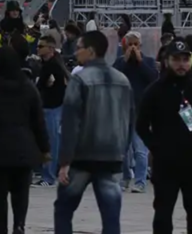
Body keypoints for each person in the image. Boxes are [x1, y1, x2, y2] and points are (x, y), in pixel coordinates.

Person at [54, 30, 135, 234]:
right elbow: (130, 120)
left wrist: (64, 162)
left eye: (78, 48)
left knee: (63, 209)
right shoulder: (123, 80)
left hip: (83, 156)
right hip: (111, 156)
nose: (76, 53)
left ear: (90, 51)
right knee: (110, 216)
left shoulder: (80, 79)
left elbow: (71, 121)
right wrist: (122, 150)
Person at [136, 41, 192, 234]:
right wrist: (156, 147)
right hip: (166, 166)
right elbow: (141, 125)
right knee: (163, 213)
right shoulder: (155, 91)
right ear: (167, 61)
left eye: (185, 59)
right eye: (176, 59)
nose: (181, 64)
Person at [0, 46, 50, 234]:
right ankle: (19, 225)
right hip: (23, 148)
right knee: (21, 193)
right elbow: (38, 121)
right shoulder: (28, 88)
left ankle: (0, 229)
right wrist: (45, 148)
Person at [111, 30, 158, 193]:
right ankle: (125, 178)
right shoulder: (119, 62)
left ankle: (140, 181)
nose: (132, 48)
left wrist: (140, 61)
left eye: (135, 45)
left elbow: (153, 78)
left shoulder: (149, 61)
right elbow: (113, 78)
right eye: (129, 45)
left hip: (141, 112)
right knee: (122, 149)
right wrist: (125, 61)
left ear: (140, 46)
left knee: (140, 150)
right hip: (123, 111)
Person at [35, 34, 69, 187]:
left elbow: (45, 84)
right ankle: (47, 174)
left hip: (53, 107)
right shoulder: (50, 63)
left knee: (52, 142)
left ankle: (49, 176)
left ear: (50, 48)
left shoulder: (53, 65)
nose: (38, 48)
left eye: (41, 46)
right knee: (52, 141)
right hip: (51, 106)